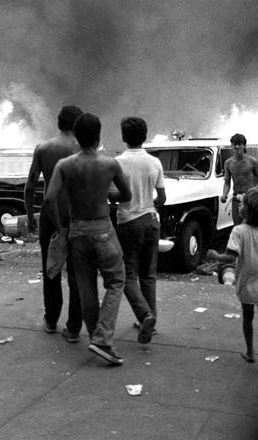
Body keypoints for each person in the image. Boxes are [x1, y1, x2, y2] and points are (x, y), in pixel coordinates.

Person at [44, 112, 132, 365]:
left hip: (76, 229)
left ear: (77, 137)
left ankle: (96, 336)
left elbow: (49, 199)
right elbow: (125, 195)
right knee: (116, 280)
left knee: (85, 288)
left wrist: (61, 228)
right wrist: (106, 194)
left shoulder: (64, 165)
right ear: (98, 136)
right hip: (102, 228)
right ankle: (103, 338)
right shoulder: (110, 164)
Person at [24, 105, 84, 342]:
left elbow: (30, 186)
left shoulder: (43, 148)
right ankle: (74, 328)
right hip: (78, 215)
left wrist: (30, 216)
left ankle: (51, 320)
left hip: (50, 215)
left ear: (59, 123)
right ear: (78, 124)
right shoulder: (84, 149)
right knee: (77, 273)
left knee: (51, 269)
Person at [207, 189, 258, 373]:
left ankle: (250, 352)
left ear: (248, 212)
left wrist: (216, 256)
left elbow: (230, 258)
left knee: (248, 318)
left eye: (242, 204)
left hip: (248, 283)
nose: (239, 206)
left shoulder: (239, 231)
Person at [115, 117, 166, 344]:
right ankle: (150, 319)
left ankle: (144, 315)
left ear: (124, 137)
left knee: (127, 275)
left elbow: (112, 195)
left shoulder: (117, 163)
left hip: (128, 221)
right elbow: (162, 197)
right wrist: (149, 204)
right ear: (145, 136)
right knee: (148, 274)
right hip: (151, 219)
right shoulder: (154, 162)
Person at [220, 133, 258, 225]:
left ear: (244, 146)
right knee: (238, 226)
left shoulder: (252, 161)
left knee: (251, 226)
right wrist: (224, 194)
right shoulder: (228, 163)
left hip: (250, 199)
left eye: (239, 144)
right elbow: (227, 182)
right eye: (234, 144)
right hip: (236, 199)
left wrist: (254, 189)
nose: (236, 147)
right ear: (231, 146)